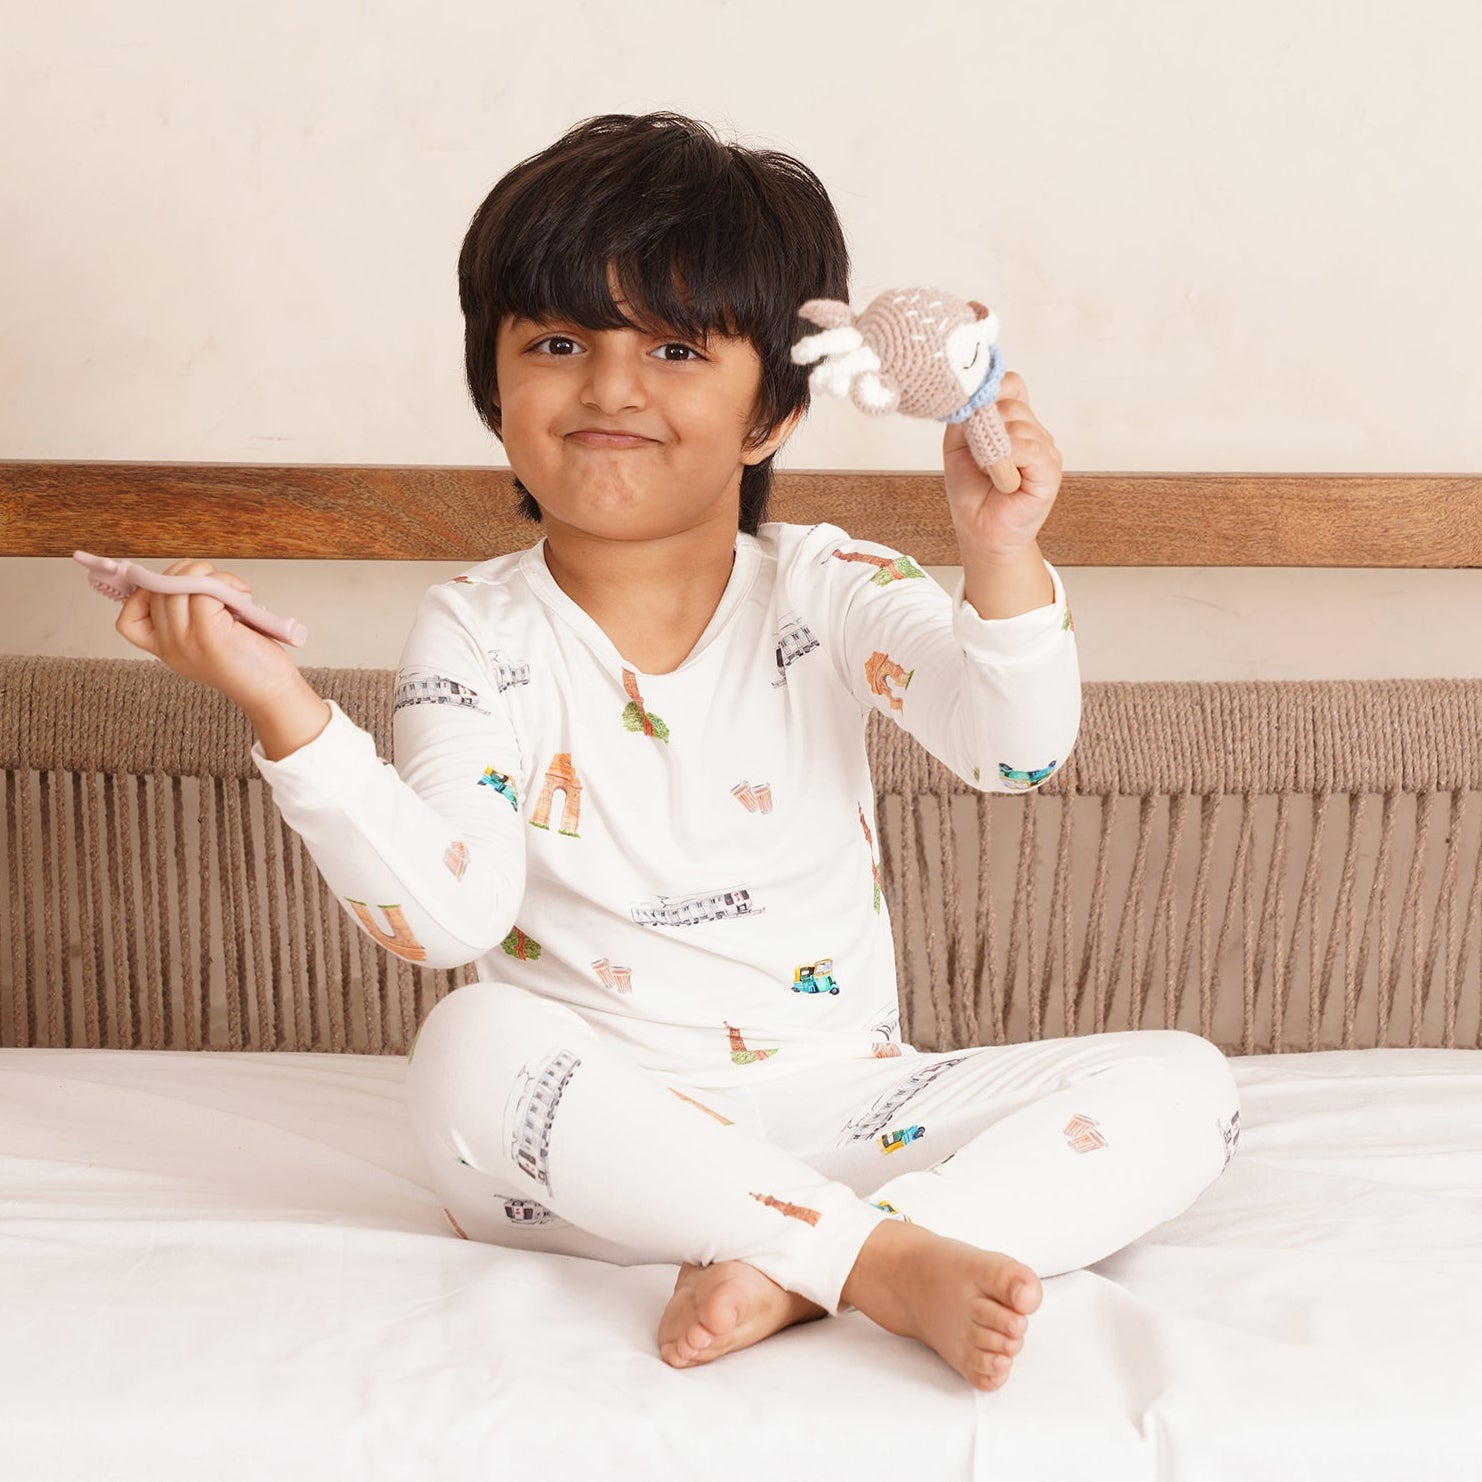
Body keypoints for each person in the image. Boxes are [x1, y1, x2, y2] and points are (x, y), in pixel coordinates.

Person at [115, 112, 1241, 1393]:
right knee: (467, 1043)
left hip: (846, 1113)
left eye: (672, 346)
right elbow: (445, 916)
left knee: (1187, 1086)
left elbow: (1016, 756)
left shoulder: (830, 586)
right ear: (495, 391)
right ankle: (873, 1266)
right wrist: (284, 707)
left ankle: (799, 1260)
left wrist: (999, 546)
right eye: (555, 342)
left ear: (771, 412)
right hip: (598, 1144)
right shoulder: (475, 631)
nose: (608, 386)